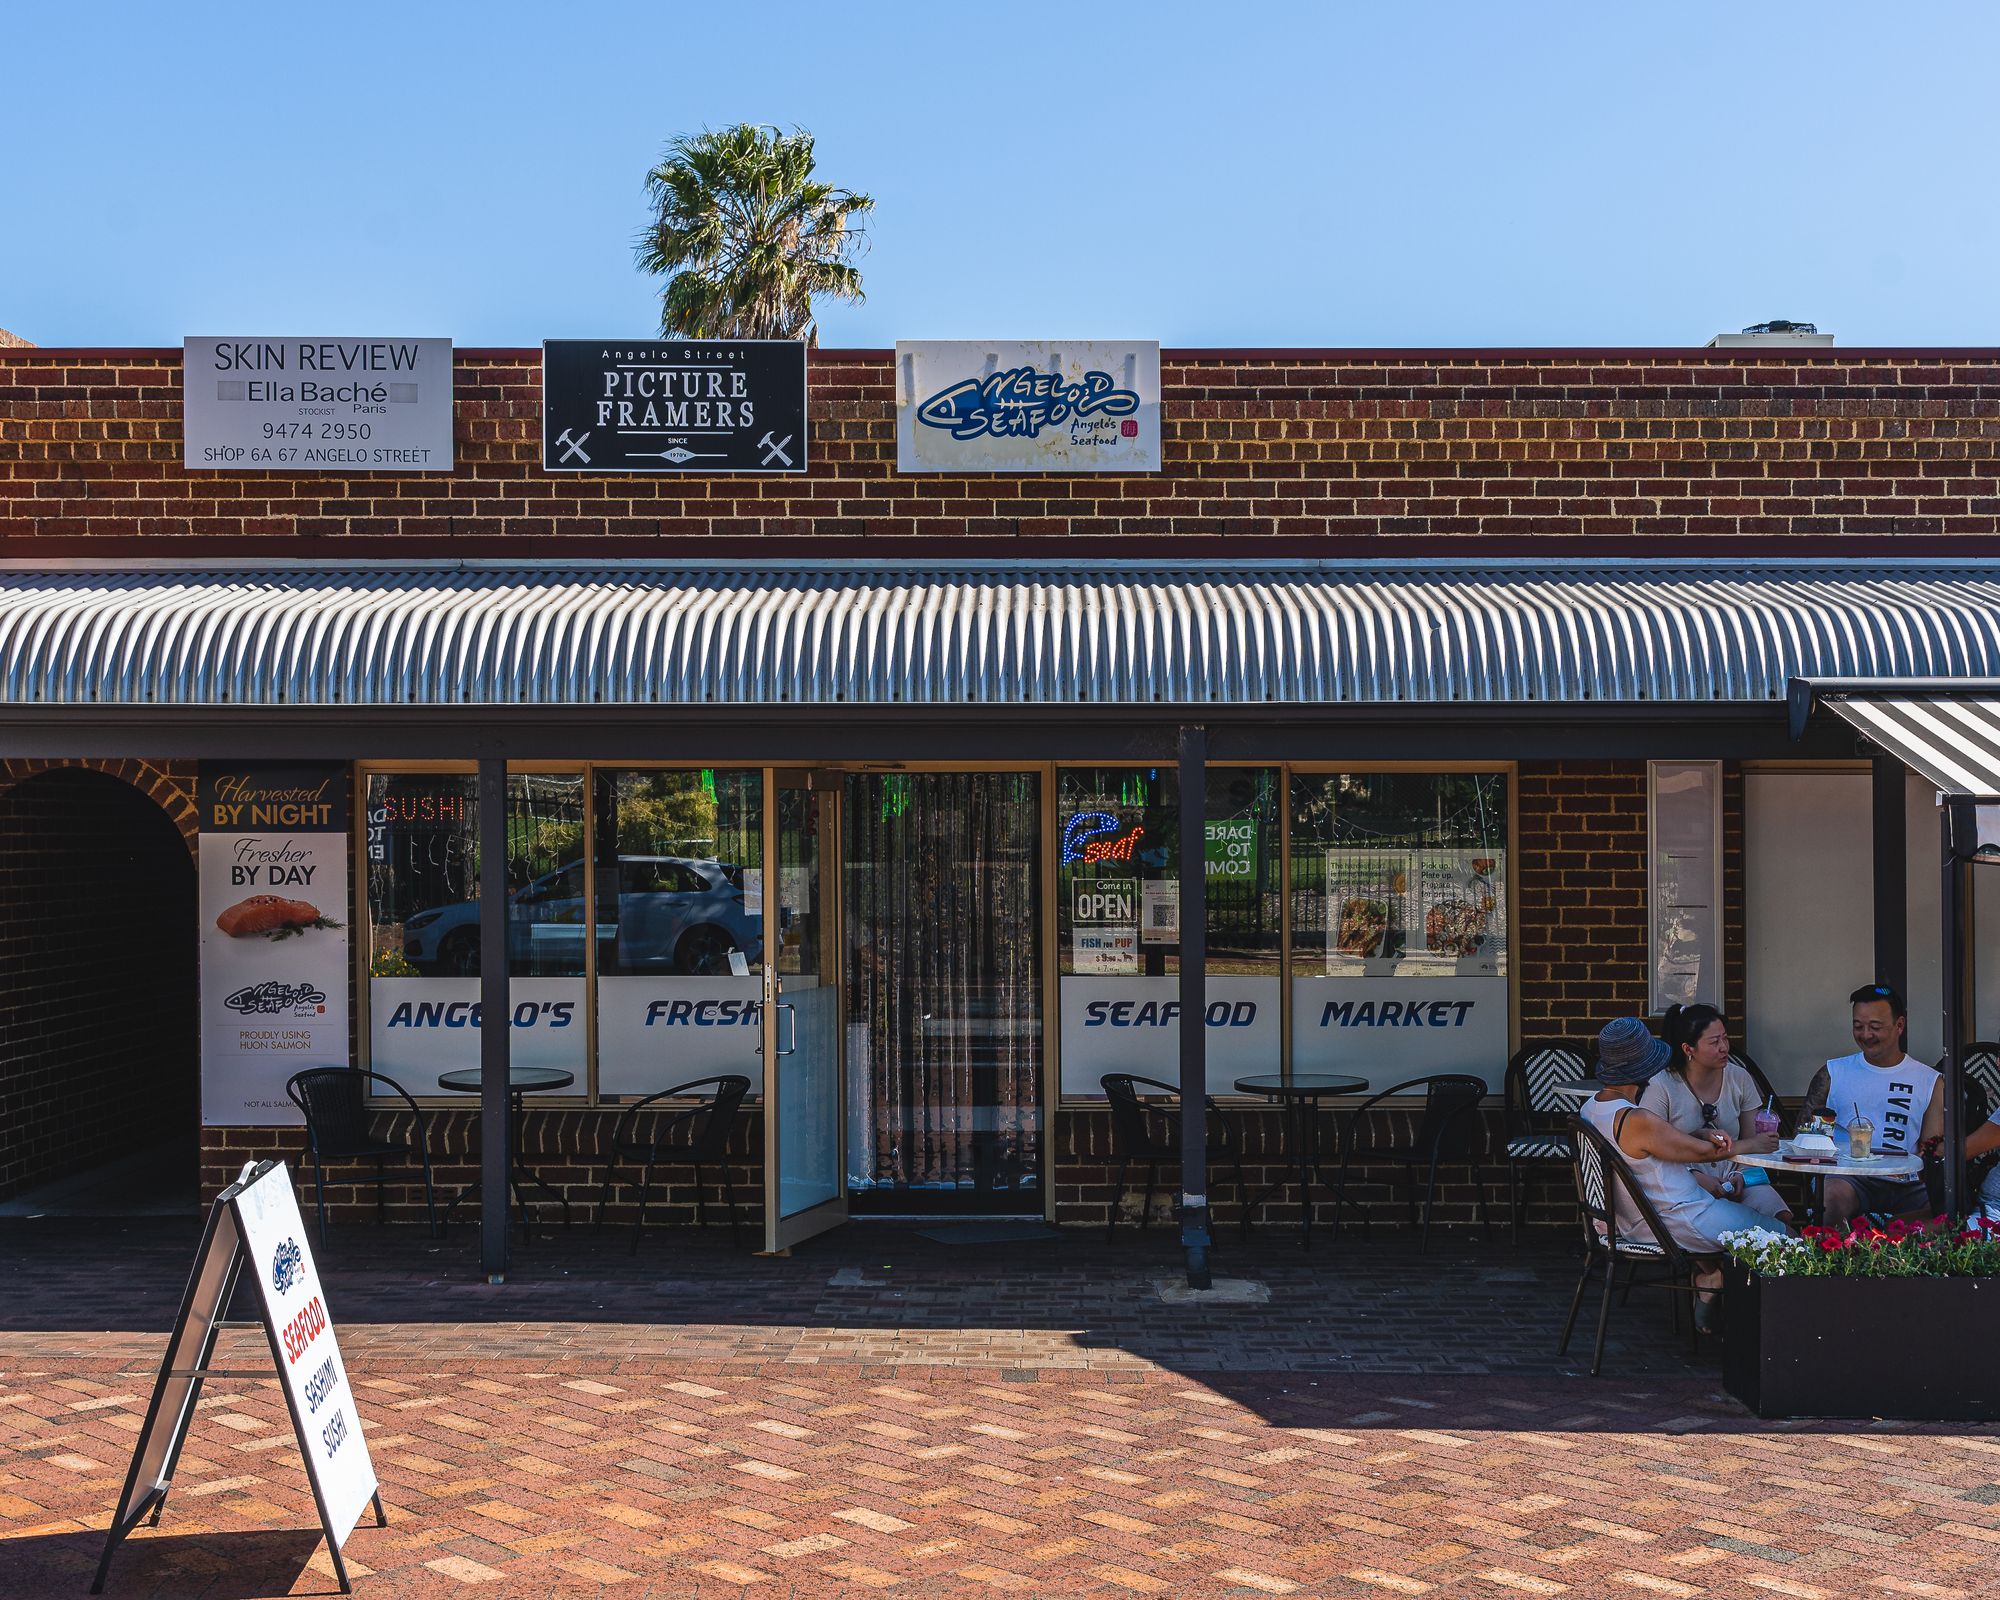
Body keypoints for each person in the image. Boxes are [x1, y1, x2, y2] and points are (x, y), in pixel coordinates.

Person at [1581, 1016, 1788, 1327]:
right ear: (1642, 1069)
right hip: (1679, 1218)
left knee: (1757, 1225)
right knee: (1785, 1239)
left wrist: (1698, 1134)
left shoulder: (1592, 1108)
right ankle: (1777, 1331)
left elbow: (1654, 1149)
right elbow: (1702, 1154)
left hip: (1635, 1220)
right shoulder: (1636, 1119)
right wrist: (1748, 1144)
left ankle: (1719, 1286)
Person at [1801, 984, 1942, 1229]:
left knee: (1946, 1212)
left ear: (1900, 1025)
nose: (1866, 1035)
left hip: (1907, 1183)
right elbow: (1803, 1135)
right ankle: (1833, 1263)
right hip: (1848, 1178)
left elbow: (1932, 1150)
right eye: (1858, 1026)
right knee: (1832, 1198)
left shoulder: (1929, 1080)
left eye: (1875, 1027)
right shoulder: (1834, 1072)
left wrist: (1918, 1164)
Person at [1642, 1003, 1791, 1224]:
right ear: (1688, 1049)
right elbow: (1650, 1151)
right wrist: (1697, 1177)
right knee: (1726, 1223)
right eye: (1714, 1042)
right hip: (1683, 1177)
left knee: (1780, 1217)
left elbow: (1755, 1142)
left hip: (1734, 1172)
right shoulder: (1661, 1085)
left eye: (1725, 1038)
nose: (1724, 1047)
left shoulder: (1739, 1077)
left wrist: (1741, 1175)